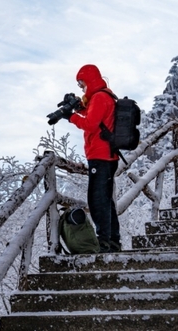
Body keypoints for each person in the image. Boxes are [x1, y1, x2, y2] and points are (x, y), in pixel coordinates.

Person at [67, 64, 122, 253]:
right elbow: (95, 118)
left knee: (98, 200)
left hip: (101, 156)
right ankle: (112, 241)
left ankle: (104, 242)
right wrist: (78, 109)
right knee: (105, 199)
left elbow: (90, 125)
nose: (81, 88)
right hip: (107, 155)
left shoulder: (99, 97)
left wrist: (71, 117)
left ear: (89, 80)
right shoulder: (103, 96)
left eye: (81, 83)